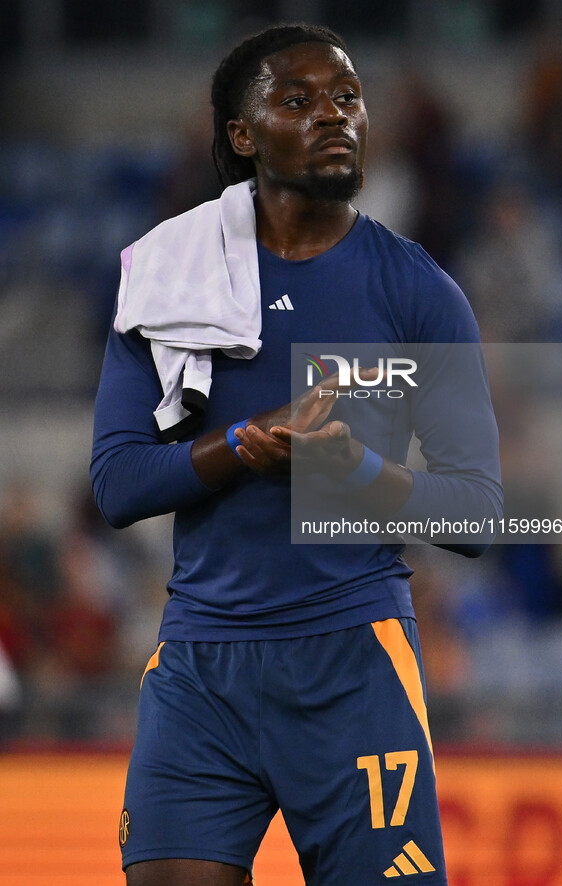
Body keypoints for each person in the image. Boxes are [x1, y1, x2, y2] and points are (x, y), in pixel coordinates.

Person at [91, 23, 502, 886]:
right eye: (298, 99)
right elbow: (118, 483)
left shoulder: (417, 289)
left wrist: (349, 472)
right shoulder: (170, 277)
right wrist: (242, 443)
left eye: (347, 98)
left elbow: (477, 514)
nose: (333, 116)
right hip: (201, 669)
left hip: (353, 661)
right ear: (243, 136)